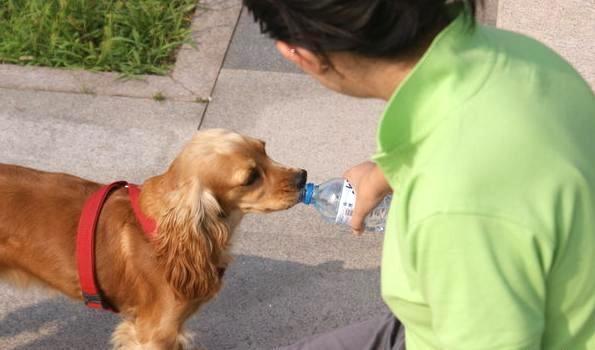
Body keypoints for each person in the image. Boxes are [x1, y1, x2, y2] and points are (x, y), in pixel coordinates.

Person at [242, 0, 595, 349]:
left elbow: (472, 202)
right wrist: (390, 168)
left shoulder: (455, 208)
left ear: (298, 54)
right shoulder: (521, 56)